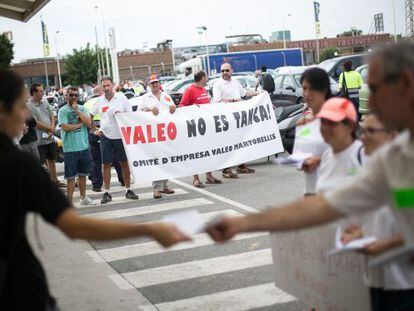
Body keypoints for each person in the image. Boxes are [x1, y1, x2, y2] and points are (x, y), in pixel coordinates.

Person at [207, 42, 414, 311]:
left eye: (374, 89)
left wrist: (385, 245)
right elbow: (324, 206)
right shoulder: (393, 156)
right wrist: (243, 224)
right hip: (380, 286)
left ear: (406, 84)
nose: (370, 100)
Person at [0, 69, 190, 311]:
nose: (26, 115)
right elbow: (74, 225)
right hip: (19, 292)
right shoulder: (17, 166)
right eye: (20, 106)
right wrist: (147, 228)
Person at [341, 113, 413, 311]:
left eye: (370, 131)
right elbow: (386, 221)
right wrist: (360, 235)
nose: (363, 137)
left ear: (393, 135)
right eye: (362, 130)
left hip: (403, 285)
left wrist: (385, 245)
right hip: (376, 281)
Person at [91, 76, 139, 204]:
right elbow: (90, 115)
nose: (106, 88)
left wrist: (120, 114)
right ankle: (107, 192)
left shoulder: (121, 98)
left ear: (113, 85)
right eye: (104, 86)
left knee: (124, 162)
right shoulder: (99, 100)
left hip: (120, 135)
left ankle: (128, 189)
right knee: (105, 164)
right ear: (101, 87)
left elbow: (130, 115)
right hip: (105, 135)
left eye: (108, 85)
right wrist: (94, 129)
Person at [212, 63, 260, 178]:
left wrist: (259, 93)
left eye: (227, 70)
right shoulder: (217, 84)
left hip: (237, 118)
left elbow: (244, 93)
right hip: (225, 119)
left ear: (231, 71)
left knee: (241, 141)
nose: (224, 73)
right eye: (222, 71)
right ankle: (225, 169)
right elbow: (217, 101)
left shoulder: (235, 82)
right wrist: (233, 100)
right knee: (228, 144)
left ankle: (241, 165)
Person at [179, 70, 222, 188]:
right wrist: (192, 108)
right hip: (195, 128)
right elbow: (181, 106)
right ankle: (196, 179)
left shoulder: (203, 89)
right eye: (206, 77)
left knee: (208, 152)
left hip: (206, 126)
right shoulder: (190, 90)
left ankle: (209, 175)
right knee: (196, 153)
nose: (207, 79)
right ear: (202, 78)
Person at [295, 67, 332, 196]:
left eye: (312, 88)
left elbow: (351, 152)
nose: (307, 94)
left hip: (337, 192)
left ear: (324, 90)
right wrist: (302, 163)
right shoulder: (302, 123)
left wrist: (319, 160)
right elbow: (298, 156)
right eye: (304, 88)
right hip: (311, 192)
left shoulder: (337, 119)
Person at [139, 74, 177, 199]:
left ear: (159, 83)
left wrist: (173, 108)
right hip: (153, 133)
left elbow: (173, 109)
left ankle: (165, 185)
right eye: (152, 83)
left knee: (166, 158)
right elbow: (138, 113)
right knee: (156, 159)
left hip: (166, 132)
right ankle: (156, 188)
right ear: (149, 85)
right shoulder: (145, 97)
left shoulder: (166, 95)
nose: (155, 85)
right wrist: (149, 110)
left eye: (156, 82)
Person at [58, 87, 96, 206]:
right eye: (71, 95)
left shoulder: (82, 108)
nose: (74, 97)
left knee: (83, 175)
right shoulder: (62, 110)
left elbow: (90, 123)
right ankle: (68, 203)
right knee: (70, 177)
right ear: (66, 96)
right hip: (70, 149)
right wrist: (79, 125)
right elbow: (65, 127)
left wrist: (78, 112)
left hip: (83, 146)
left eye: (76, 95)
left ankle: (83, 197)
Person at [84, 86, 124, 192]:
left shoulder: (87, 103)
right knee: (115, 157)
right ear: (101, 92)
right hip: (107, 132)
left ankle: (97, 185)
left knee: (96, 160)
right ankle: (123, 179)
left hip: (94, 133)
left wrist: (93, 130)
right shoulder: (101, 101)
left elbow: (87, 119)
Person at [27, 83, 66, 188]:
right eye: (40, 91)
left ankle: (55, 181)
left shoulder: (44, 102)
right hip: (39, 139)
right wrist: (49, 128)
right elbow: (34, 122)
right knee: (40, 162)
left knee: (52, 159)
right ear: (34, 93)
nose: (42, 93)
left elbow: (52, 115)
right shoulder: (29, 105)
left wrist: (52, 127)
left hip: (49, 137)